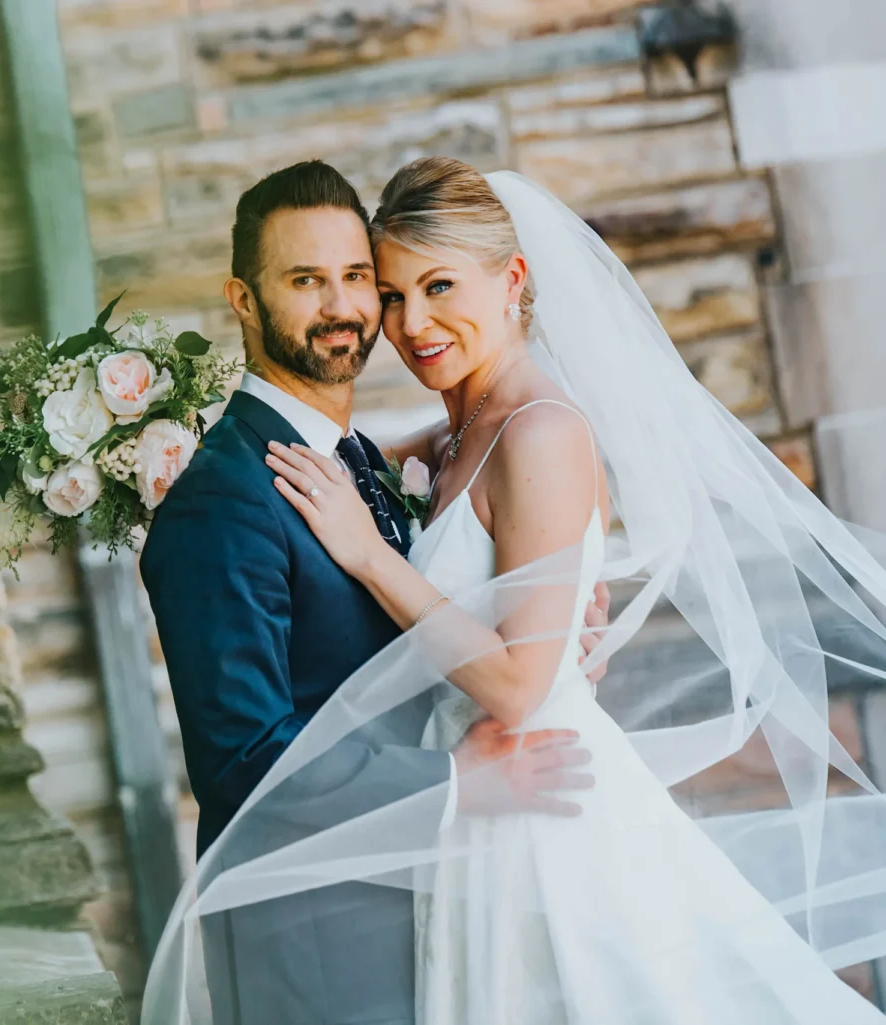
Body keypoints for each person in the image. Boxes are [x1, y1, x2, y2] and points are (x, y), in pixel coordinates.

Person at [144, 156, 886, 1024]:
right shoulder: (401, 453)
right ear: (244, 299)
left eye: (396, 283)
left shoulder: (528, 433)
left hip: (537, 808)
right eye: (385, 292)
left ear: (514, 281)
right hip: (424, 851)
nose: (399, 318)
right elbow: (248, 753)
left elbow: (514, 672)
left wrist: (434, 578)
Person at [139, 160, 604, 1025]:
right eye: (306, 280)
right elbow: (244, 757)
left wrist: (551, 600)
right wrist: (451, 785)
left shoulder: (365, 462)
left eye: (359, 279)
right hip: (319, 939)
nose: (347, 307)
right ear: (243, 300)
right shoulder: (223, 497)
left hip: (438, 899)